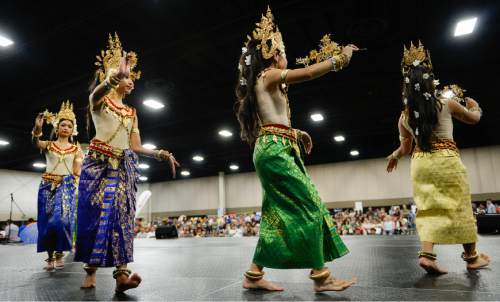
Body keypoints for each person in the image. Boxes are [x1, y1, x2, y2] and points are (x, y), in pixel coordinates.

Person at [234, 7, 358, 292]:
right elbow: (310, 72)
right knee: (309, 205)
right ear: (273, 53)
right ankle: (322, 278)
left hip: (276, 145)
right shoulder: (268, 75)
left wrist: (297, 132)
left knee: (274, 214)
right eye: (282, 48)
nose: (285, 53)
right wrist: (339, 60)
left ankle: (253, 276)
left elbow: (272, 121)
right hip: (275, 150)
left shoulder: (264, 79)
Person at [74, 33, 180, 293]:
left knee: (121, 219)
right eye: (126, 76)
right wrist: (112, 77)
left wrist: (160, 154)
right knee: (96, 217)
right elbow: (93, 96)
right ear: (113, 78)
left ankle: (121, 275)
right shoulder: (100, 103)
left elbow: (135, 146)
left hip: (124, 168)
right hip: (98, 165)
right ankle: (90, 270)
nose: (131, 81)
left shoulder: (132, 112)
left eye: (131, 77)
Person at [386, 41, 490, 274]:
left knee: (428, 207)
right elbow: (474, 119)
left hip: (421, 163)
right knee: (460, 206)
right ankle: (472, 257)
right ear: (429, 78)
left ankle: (427, 255)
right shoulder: (446, 103)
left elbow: (405, 148)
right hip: (447, 160)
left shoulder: (403, 117)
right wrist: (476, 107)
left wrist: (393, 156)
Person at [32, 101, 83, 270]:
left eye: (69, 125)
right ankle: (50, 257)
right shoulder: (48, 145)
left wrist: (69, 181)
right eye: (63, 124)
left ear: (73, 129)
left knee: (61, 221)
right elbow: (36, 143)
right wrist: (37, 129)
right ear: (57, 126)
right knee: (46, 223)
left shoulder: (76, 149)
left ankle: (60, 253)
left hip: (66, 187)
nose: (66, 128)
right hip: (47, 186)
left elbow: (77, 172)